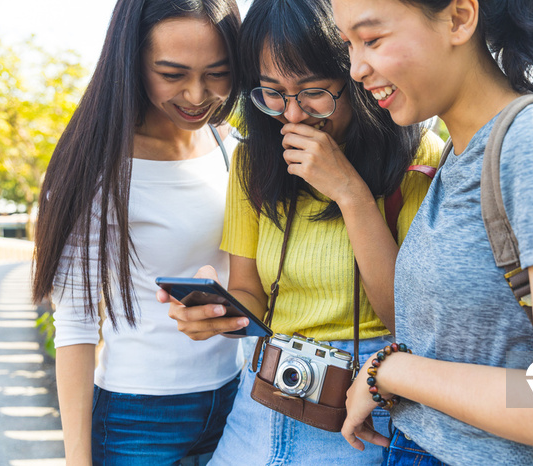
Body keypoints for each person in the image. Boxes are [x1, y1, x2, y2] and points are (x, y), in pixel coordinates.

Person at [333, 0, 533, 465]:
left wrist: (392, 370)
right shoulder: (462, 155)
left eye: (373, 39)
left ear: (459, 18)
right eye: (350, 45)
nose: (356, 68)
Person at [161, 0, 443, 463]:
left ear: (354, 72)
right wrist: (218, 314)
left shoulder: (419, 158)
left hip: (360, 407)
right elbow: (251, 291)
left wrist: (349, 191)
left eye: (313, 91)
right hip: (265, 395)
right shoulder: (253, 161)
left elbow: (412, 321)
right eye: (272, 92)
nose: (292, 115)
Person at [31, 0, 243, 463]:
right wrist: (77, 459)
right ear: (131, 63)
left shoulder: (233, 146)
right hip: (139, 418)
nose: (196, 95)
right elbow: (75, 325)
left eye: (217, 73)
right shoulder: (94, 169)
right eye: (172, 74)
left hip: (238, 400)